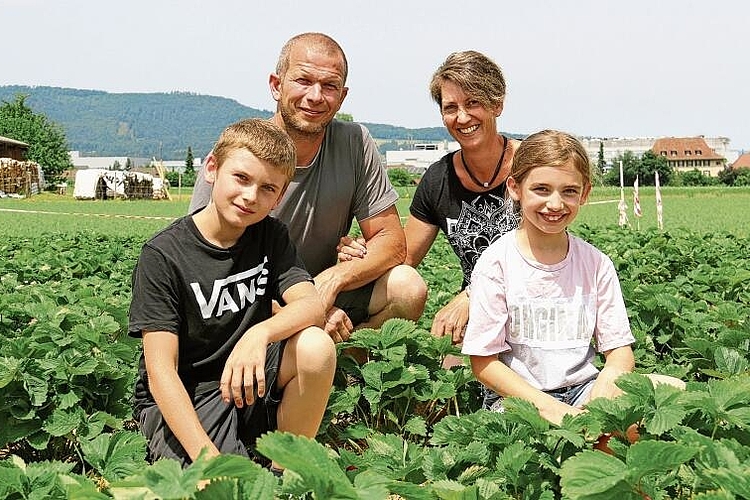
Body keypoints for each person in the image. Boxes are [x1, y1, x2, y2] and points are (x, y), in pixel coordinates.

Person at [189, 33, 426, 344]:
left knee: (407, 287)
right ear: (276, 85)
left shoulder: (354, 143)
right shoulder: (242, 149)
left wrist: (337, 277)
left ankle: (348, 369)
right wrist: (304, 312)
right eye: (303, 80)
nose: (315, 96)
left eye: (329, 86)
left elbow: (392, 242)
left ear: (342, 96)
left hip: (323, 291)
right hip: (250, 301)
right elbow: (205, 266)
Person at [129, 119, 336, 469]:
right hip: (189, 393)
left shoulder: (270, 235)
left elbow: (312, 305)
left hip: (248, 376)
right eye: (241, 178)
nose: (250, 196)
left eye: (268, 188)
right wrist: (206, 458)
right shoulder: (164, 255)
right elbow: (161, 370)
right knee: (224, 485)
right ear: (212, 168)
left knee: (316, 346)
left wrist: (260, 333)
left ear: (280, 197)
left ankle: (284, 469)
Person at [461, 129, 683, 426]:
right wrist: (554, 411)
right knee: (590, 435)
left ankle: (598, 441)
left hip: (584, 390)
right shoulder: (496, 263)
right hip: (518, 398)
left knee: (675, 391)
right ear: (515, 188)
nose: (555, 204)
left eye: (569, 191)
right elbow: (483, 363)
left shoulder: (596, 264)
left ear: (585, 193)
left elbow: (619, 352)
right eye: (541, 189)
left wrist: (603, 396)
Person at [337, 50, 519, 344]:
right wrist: (361, 255)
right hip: (476, 317)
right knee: (448, 382)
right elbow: (402, 257)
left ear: (497, 104)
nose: (462, 117)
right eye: (450, 107)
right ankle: (349, 360)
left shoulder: (532, 164)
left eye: (473, 103)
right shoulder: (438, 180)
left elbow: (545, 253)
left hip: (536, 305)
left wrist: (473, 293)